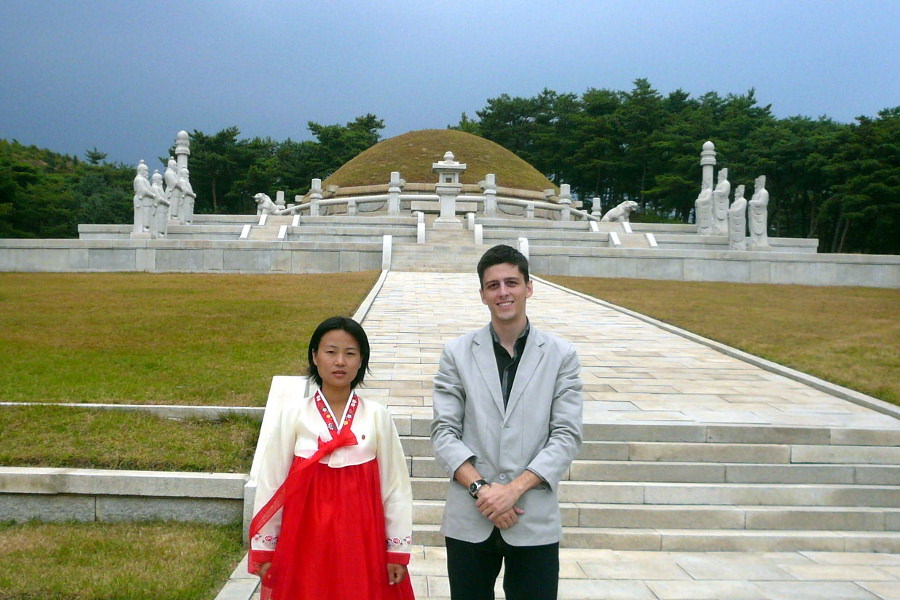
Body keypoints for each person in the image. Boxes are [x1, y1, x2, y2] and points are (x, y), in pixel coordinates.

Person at [431, 244, 584, 600]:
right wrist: (482, 490)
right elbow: (444, 432)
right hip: (471, 517)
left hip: (532, 515)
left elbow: (566, 435)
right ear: (482, 294)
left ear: (529, 287)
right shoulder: (456, 353)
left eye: (512, 282)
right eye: (493, 285)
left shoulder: (562, 356)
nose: (503, 292)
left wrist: (512, 490)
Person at [248, 316, 415, 600]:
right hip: (304, 539)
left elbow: (395, 487)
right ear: (314, 356)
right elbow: (271, 483)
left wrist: (396, 551)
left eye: (350, 354)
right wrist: (266, 547)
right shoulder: (294, 416)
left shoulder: (376, 416)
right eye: (331, 352)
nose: (340, 361)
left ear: (361, 360)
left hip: (362, 540)